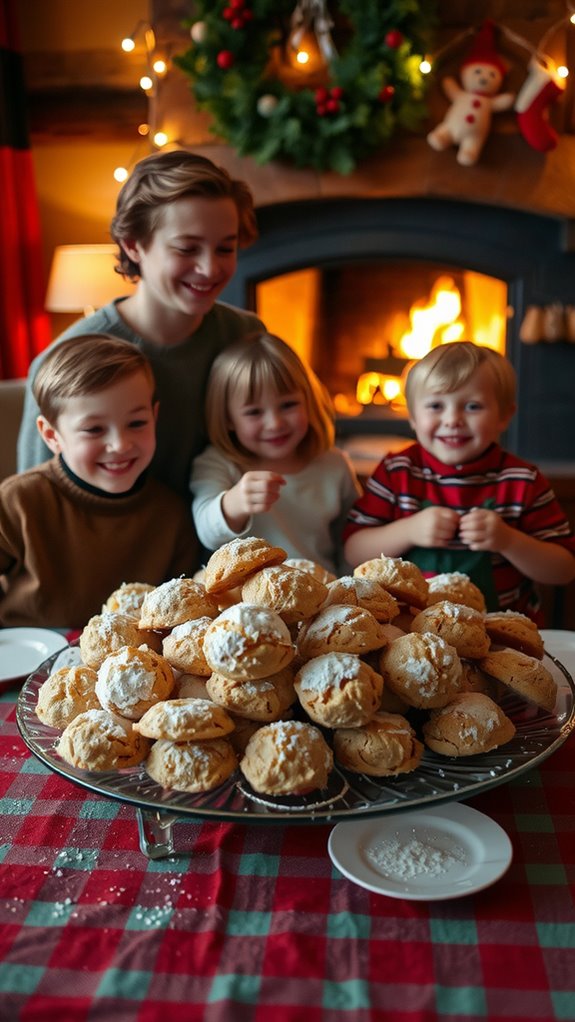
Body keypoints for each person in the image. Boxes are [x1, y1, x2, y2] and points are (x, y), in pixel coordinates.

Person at [17, 149, 264, 503]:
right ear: (134, 245)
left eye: (225, 248)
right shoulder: (64, 362)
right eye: (187, 249)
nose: (210, 268)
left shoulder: (247, 337)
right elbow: (32, 500)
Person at [343, 341, 575, 619]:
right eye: (436, 405)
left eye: (473, 406)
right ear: (413, 417)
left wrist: (509, 541)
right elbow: (354, 551)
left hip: (502, 632)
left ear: (504, 416)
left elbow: (563, 569)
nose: (453, 419)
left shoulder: (522, 480)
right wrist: (408, 530)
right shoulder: (398, 471)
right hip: (411, 630)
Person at [0, 335, 198, 629]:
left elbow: (184, 612)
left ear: (154, 417)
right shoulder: (19, 501)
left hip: (127, 663)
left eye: (136, 423)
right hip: (28, 655)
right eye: (94, 429)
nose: (119, 444)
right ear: (52, 435)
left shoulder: (170, 514)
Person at [190, 332, 362, 576]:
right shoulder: (219, 463)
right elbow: (208, 532)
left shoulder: (334, 464)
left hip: (319, 593)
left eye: (288, 405)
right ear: (228, 418)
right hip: (245, 601)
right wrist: (235, 503)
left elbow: (351, 541)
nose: (275, 423)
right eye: (254, 412)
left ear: (308, 401)